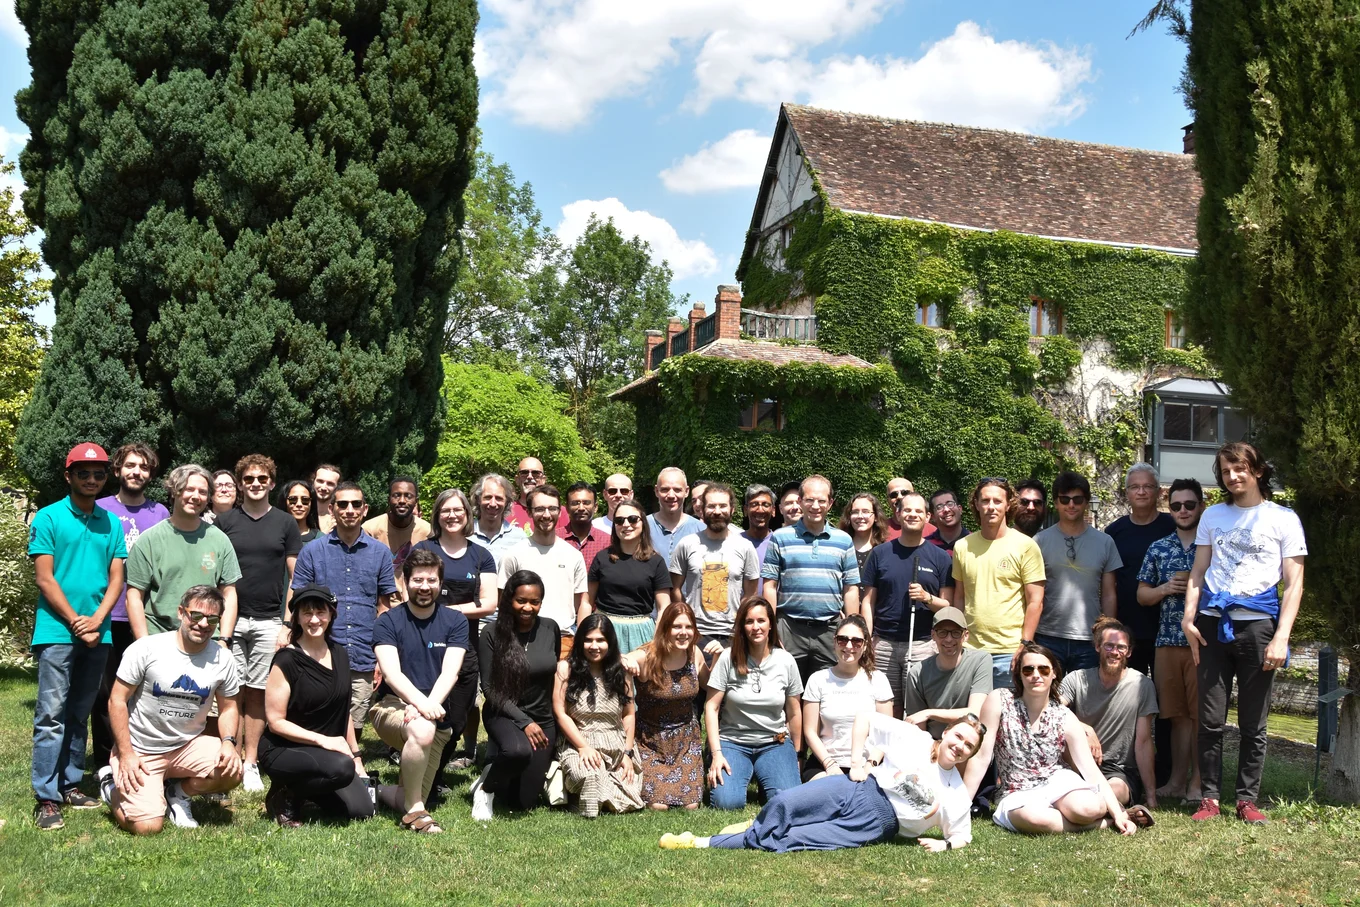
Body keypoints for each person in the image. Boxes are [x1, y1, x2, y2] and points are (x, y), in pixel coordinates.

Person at [1182, 442, 1306, 825]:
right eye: (1225, 471)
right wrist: (1188, 621)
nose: (1232, 476)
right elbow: (1198, 573)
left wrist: (1282, 636)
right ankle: (1210, 798)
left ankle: (1247, 800)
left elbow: (1295, 583)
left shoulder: (1283, 518)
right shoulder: (1213, 516)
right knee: (1210, 719)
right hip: (1211, 625)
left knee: (1254, 722)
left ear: (1257, 470)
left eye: (1239, 468)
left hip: (1259, 628)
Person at [660, 712, 984, 853]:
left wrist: (945, 843)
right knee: (784, 802)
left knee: (788, 840)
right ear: (947, 733)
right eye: (958, 736)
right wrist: (858, 760)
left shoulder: (955, 792)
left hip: (873, 824)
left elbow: (962, 836)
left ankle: (699, 841)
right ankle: (750, 828)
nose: (959, 745)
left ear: (970, 754)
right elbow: (866, 718)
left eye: (968, 745)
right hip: (857, 786)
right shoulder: (916, 737)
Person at [29, 443, 128, 830]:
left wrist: (98, 619)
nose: (91, 479)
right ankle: (46, 797)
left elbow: (117, 576)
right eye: (83, 473)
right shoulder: (49, 517)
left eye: (99, 473)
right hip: (57, 630)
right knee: (51, 715)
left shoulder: (110, 522)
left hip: (97, 633)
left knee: (79, 712)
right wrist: (76, 621)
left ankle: (71, 783)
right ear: (68, 475)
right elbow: (44, 578)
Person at [101, 586, 244, 834]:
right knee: (147, 827)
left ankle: (179, 793)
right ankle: (110, 787)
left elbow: (229, 708)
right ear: (181, 613)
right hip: (141, 750)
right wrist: (126, 753)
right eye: (196, 615)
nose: (203, 624)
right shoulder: (146, 649)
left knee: (233, 771)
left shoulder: (224, 659)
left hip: (187, 745)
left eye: (212, 619)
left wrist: (229, 743)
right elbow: (117, 701)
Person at [965, 643, 1144, 836]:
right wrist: (960, 807)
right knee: (1036, 819)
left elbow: (1091, 771)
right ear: (1019, 675)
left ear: (1054, 674)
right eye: (1028, 669)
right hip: (1017, 789)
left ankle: (1113, 812)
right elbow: (981, 758)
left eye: (1043, 669)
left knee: (1087, 809)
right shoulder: (999, 700)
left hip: (1058, 780)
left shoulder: (1063, 715)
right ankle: (1103, 824)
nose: (1036, 675)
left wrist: (1118, 814)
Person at [369, 548, 478, 833]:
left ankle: (376, 790)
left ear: (441, 584)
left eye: (431, 580)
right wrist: (417, 704)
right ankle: (416, 813)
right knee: (421, 730)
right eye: (418, 580)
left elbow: (450, 672)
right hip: (390, 707)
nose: (425, 587)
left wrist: (424, 706)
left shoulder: (455, 621)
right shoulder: (388, 622)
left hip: (433, 713)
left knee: (411, 787)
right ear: (405, 582)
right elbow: (392, 674)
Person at [214, 455, 303, 793]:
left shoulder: (285, 523)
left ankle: (250, 761)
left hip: (269, 620)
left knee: (258, 692)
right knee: (228, 691)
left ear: (271, 482)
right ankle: (230, 757)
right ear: (240, 483)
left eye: (261, 478)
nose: (255, 483)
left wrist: (287, 621)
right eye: (249, 478)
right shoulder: (224, 522)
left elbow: (296, 575)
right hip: (229, 621)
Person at [258, 584, 375, 826]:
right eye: (306, 613)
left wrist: (357, 757)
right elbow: (276, 722)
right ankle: (287, 794)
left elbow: (345, 713)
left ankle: (306, 791)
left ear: (332, 615)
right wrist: (324, 740)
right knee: (341, 769)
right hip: (284, 749)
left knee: (361, 810)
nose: (314, 619)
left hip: (327, 753)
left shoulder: (340, 654)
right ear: (297, 618)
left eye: (321, 612)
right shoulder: (286, 660)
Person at [289, 482, 397, 735]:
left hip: (363, 649)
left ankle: (352, 766)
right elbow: (299, 602)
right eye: (343, 504)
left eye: (356, 504)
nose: (350, 509)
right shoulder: (312, 552)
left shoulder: (381, 554)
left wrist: (381, 655)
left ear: (365, 509)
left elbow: (384, 606)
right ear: (332, 509)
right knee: (319, 716)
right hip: (320, 648)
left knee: (356, 718)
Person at [92, 443, 169, 771]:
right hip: (107, 615)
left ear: (150, 474)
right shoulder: (99, 508)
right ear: (118, 470)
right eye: (131, 466)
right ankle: (107, 761)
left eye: (144, 467)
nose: (137, 472)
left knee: (146, 689)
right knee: (104, 691)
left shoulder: (161, 513)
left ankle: (145, 754)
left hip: (147, 616)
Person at [413, 487, 498, 767]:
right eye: (446, 510)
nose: (452, 516)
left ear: (467, 514)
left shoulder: (481, 555)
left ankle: (436, 766)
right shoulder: (423, 549)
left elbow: (488, 604)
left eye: (458, 510)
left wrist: (448, 612)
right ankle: (425, 771)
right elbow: (410, 595)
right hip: (425, 642)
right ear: (438, 515)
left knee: (458, 715)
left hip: (465, 645)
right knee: (427, 707)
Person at [1137, 478, 1204, 802]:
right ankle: (1178, 781)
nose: (1182, 511)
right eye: (1176, 505)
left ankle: (1198, 783)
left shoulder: (1212, 547)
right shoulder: (1159, 547)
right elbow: (1141, 594)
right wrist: (1165, 588)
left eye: (1189, 505)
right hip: (1166, 642)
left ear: (1200, 506)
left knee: (1201, 715)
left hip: (1203, 643)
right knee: (1176, 716)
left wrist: (1195, 585)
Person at [473, 571, 559, 818]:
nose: (528, 608)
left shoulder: (550, 628)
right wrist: (525, 722)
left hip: (542, 718)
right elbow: (489, 689)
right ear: (509, 599)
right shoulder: (492, 633)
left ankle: (494, 771)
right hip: (504, 713)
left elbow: (550, 677)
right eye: (521, 600)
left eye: (535, 602)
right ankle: (485, 789)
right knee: (517, 751)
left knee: (523, 802)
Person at [705, 597, 803, 809]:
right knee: (727, 803)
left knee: (787, 802)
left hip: (774, 742)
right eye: (749, 621)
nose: (756, 627)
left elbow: (794, 713)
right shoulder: (728, 658)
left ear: (770, 624)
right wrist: (716, 754)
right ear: (742, 626)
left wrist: (796, 755)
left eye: (761, 620)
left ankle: (768, 780)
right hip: (733, 742)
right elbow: (711, 708)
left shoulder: (786, 661)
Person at [762, 475, 860, 684]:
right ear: (800, 501)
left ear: (830, 503)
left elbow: (851, 589)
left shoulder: (843, 540)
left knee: (829, 690)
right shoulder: (780, 537)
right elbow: (770, 586)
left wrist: (852, 628)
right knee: (787, 689)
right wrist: (771, 625)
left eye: (822, 501)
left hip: (829, 630)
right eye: (809, 500)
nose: (816, 506)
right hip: (789, 628)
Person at [862, 491, 956, 708]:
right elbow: (868, 601)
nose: (913, 515)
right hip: (883, 643)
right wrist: (868, 638)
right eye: (907, 510)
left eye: (918, 511)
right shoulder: (880, 554)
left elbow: (947, 605)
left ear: (927, 517)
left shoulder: (940, 557)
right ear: (898, 513)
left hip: (922, 643)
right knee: (885, 706)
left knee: (917, 706)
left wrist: (925, 597)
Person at [124, 464, 241, 638]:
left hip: (207, 639)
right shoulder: (149, 540)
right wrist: (144, 644)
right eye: (189, 489)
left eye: (202, 492)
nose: (196, 496)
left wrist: (225, 639)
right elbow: (133, 597)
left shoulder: (220, 540)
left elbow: (229, 594)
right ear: (174, 491)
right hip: (159, 638)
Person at [951, 478, 1045, 690]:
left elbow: (1036, 601)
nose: (991, 506)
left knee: (1008, 718)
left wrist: (1025, 645)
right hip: (971, 650)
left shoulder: (1026, 546)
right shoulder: (962, 546)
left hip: (1010, 652)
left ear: (1008, 504)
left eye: (997, 501)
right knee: (971, 717)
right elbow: (960, 597)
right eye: (985, 500)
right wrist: (958, 639)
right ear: (976, 504)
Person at [1060, 617, 1158, 811]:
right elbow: (1050, 709)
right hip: (1079, 762)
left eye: (1121, 647)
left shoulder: (1142, 685)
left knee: (1115, 791)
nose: (1115, 652)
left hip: (1118, 771)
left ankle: (1093, 808)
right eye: (1109, 646)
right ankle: (1109, 812)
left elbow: (1144, 742)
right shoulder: (1076, 679)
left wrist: (1151, 796)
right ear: (1097, 647)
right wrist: (1084, 727)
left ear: (1129, 652)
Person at [552, 613, 645, 817]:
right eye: (589, 640)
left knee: (630, 786)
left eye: (600, 640)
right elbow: (560, 713)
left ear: (609, 642)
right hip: (580, 742)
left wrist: (627, 753)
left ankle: (591, 796)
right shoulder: (565, 669)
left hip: (616, 744)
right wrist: (583, 747)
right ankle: (588, 795)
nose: (594, 646)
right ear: (580, 642)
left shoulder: (622, 671)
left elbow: (629, 714)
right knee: (590, 775)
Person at [1033, 472, 1121, 674]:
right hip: (1047, 635)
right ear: (1055, 503)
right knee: (1047, 700)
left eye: (1077, 499)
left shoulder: (1105, 542)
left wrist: (1107, 632)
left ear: (1086, 502)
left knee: (1086, 702)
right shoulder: (1039, 542)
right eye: (1065, 499)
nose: (1071, 505)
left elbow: (1109, 593)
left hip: (1089, 638)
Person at [668, 483, 759, 659]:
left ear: (732, 509)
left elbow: (750, 594)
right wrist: (686, 622)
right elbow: (675, 589)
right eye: (711, 506)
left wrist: (739, 628)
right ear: (701, 510)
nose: (717, 511)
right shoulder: (687, 544)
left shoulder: (745, 547)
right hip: (694, 634)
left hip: (732, 635)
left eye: (723, 506)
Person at [630, 603, 707, 810]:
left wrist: (717, 658)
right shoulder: (649, 655)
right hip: (651, 741)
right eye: (676, 627)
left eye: (688, 627)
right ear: (665, 628)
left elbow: (709, 684)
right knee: (658, 805)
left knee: (691, 805)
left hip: (686, 741)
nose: (683, 633)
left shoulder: (694, 654)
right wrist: (624, 660)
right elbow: (624, 659)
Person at [498, 485, 588, 659]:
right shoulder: (513, 555)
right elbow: (503, 602)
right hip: (521, 640)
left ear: (560, 512)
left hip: (564, 641)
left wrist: (581, 638)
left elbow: (582, 602)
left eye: (552, 508)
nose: (547, 515)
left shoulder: (573, 555)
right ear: (530, 513)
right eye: (539, 509)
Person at [801, 615, 893, 781]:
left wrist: (869, 766)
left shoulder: (878, 679)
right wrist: (830, 764)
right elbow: (810, 731)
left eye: (856, 641)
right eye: (843, 640)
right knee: (828, 792)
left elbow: (886, 733)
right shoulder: (818, 679)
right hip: (825, 762)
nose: (849, 646)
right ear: (835, 642)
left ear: (865, 646)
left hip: (868, 763)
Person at [1105, 464, 1175, 677]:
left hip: (1167, 628)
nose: (1141, 492)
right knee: (1128, 697)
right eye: (1135, 487)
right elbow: (1109, 586)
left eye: (1148, 486)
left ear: (1159, 492)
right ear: (1127, 493)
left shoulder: (1173, 527)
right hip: (1128, 630)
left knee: (1166, 699)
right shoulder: (1114, 532)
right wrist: (1111, 628)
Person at [583, 501, 672, 654]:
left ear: (643, 522)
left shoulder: (656, 561)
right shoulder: (602, 558)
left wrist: (656, 642)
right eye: (619, 520)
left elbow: (664, 607)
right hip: (603, 630)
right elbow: (587, 602)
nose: (626, 524)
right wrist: (583, 635)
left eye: (632, 519)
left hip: (642, 633)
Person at [902, 608, 992, 737]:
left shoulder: (981, 661)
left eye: (956, 633)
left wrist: (929, 713)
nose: (949, 639)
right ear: (933, 635)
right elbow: (918, 726)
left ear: (965, 635)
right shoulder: (917, 673)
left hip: (968, 743)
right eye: (942, 633)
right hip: (933, 744)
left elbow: (975, 713)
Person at [362, 476, 433, 606]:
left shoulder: (427, 532)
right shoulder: (370, 529)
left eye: (408, 496)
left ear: (416, 501)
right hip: (378, 605)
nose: (402, 500)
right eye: (396, 495)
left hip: (415, 604)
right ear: (388, 499)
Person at [470, 473, 528, 569]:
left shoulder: (520, 538)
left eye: (499, 498)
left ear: (507, 502)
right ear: (478, 499)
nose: (493, 504)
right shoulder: (465, 534)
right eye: (488, 497)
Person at [648, 467, 703, 567]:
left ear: (686, 492)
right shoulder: (642, 527)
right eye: (665, 489)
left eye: (677, 490)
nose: (671, 495)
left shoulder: (701, 530)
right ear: (656, 491)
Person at [559, 482, 610, 578]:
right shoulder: (554, 539)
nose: (581, 508)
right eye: (575, 503)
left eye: (586, 503)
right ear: (567, 508)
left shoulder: (608, 542)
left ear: (595, 507)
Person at [838, 492, 888, 587]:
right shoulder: (841, 548)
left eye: (865, 511)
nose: (860, 516)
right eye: (855, 512)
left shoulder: (884, 550)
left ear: (876, 517)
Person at [508, 457, 566, 531]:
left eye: (535, 473)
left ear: (543, 480)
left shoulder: (558, 511)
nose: (529, 476)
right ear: (517, 479)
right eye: (524, 473)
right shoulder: (506, 510)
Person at [740, 484, 776, 597]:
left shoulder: (779, 543)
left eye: (765, 505)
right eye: (754, 504)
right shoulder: (734, 543)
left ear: (773, 510)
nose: (760, 510)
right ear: (746, 510)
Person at [883, 477, 938, 542]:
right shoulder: (880, 529)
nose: (899, 497)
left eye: (905, 493)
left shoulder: (932, 531)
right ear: (888, 500)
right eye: (893, 494)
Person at [278, 479, 320, 544]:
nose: (299, 504)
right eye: (293, 499)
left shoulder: (320, 539)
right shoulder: (273, 536)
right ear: (284, 502)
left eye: (305, 500)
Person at [312, 464, 342, 534]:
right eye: (320, 481)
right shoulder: (302, 515)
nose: (323, 488)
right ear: (313, 481)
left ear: (337, 487)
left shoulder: (340, 519)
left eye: (330, 484)